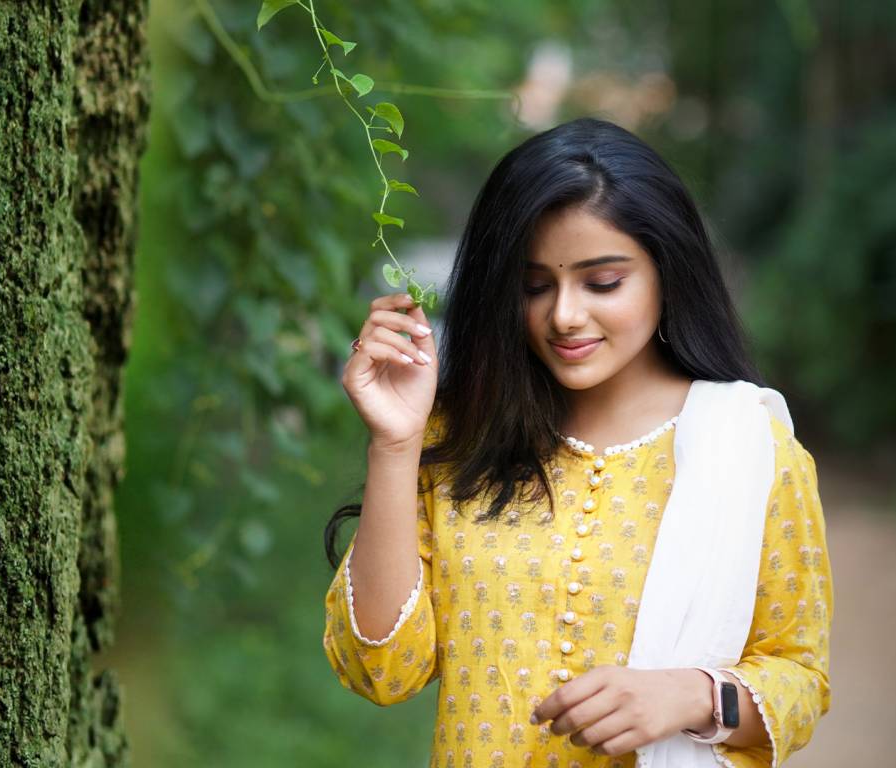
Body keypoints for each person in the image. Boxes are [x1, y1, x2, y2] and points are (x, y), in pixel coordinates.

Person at [321, 117, 832, 768]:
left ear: (666, 272)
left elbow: (799, 679)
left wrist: (691, 695)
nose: (563, 315)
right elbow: (382, 671)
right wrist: (395, 446)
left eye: (603, 282)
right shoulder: (462, 436)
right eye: (534, 286)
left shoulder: (746, 447)